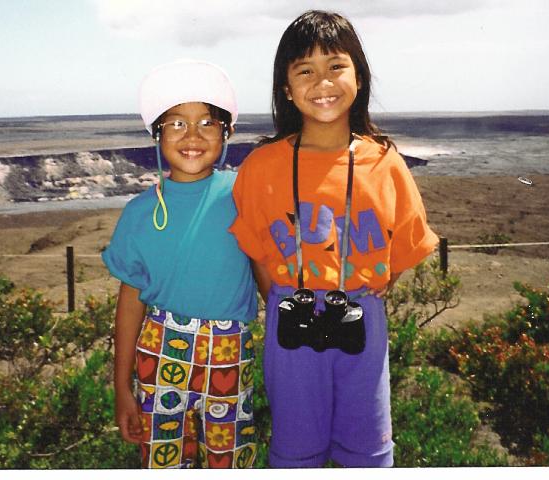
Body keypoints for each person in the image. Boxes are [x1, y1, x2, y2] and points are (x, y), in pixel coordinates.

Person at [229, 10, 438, 468]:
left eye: (336, 66)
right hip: (291, 318)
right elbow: (257, 251)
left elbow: (406, 243)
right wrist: (286, 298)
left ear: (358, 78)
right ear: (286, 88)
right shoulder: (262, 166)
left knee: (369, 451)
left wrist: (371, 286)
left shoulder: (384, 162)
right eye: (305, 70)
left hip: (361, 317)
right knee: (296, 451)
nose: (322, 82)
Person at [102, 59, 259, 469]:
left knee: (230, 461)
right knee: (164, 462)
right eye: (176, 124)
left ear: (227, 133)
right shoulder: (139, 213)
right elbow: (130, 301)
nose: (192, 136)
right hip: (160, 352)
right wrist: (122, 388)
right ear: (157, 134)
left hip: (230, 351)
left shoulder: (244, 193)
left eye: (207, 123)